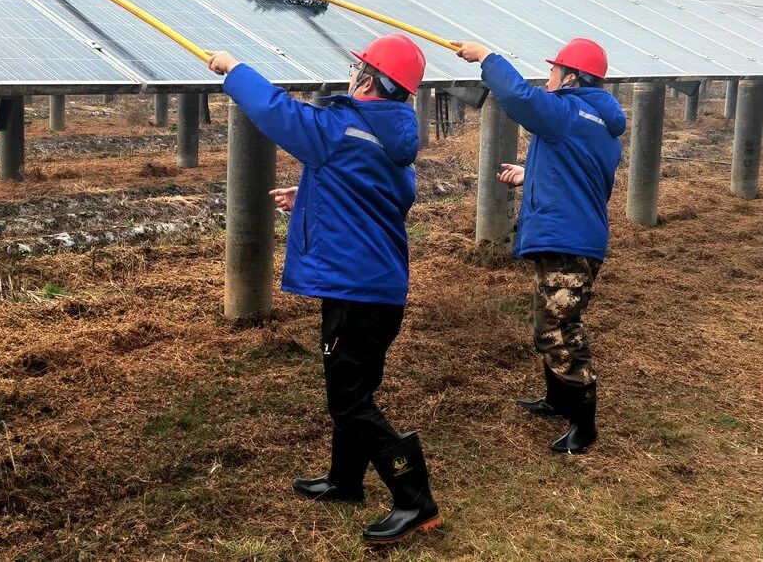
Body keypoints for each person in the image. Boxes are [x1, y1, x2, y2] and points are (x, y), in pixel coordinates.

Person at [207, 34, 441, 544]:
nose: (351, 75)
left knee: (350, 399)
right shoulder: (392, 136)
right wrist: (315, 191)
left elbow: (277, 112)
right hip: (376, 288)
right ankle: (345, 480)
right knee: (354, 389)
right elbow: (377, 194)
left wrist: (234, 69)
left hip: (357, 291)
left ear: (371, 81)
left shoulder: (342, 128)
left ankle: (414, 499)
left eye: (358, 69)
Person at [454, 38, 626, 454]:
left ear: (572, 78)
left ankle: (584, 423)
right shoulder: (596, 121)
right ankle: (557, 399)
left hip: (569, 242)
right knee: (547, 320)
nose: (548, 78)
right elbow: (575, 172)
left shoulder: (569, 112)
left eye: (553, 71)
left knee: (560, 330)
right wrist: (530, 173)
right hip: (572, 236)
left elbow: (518, 97)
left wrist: (486, 57)